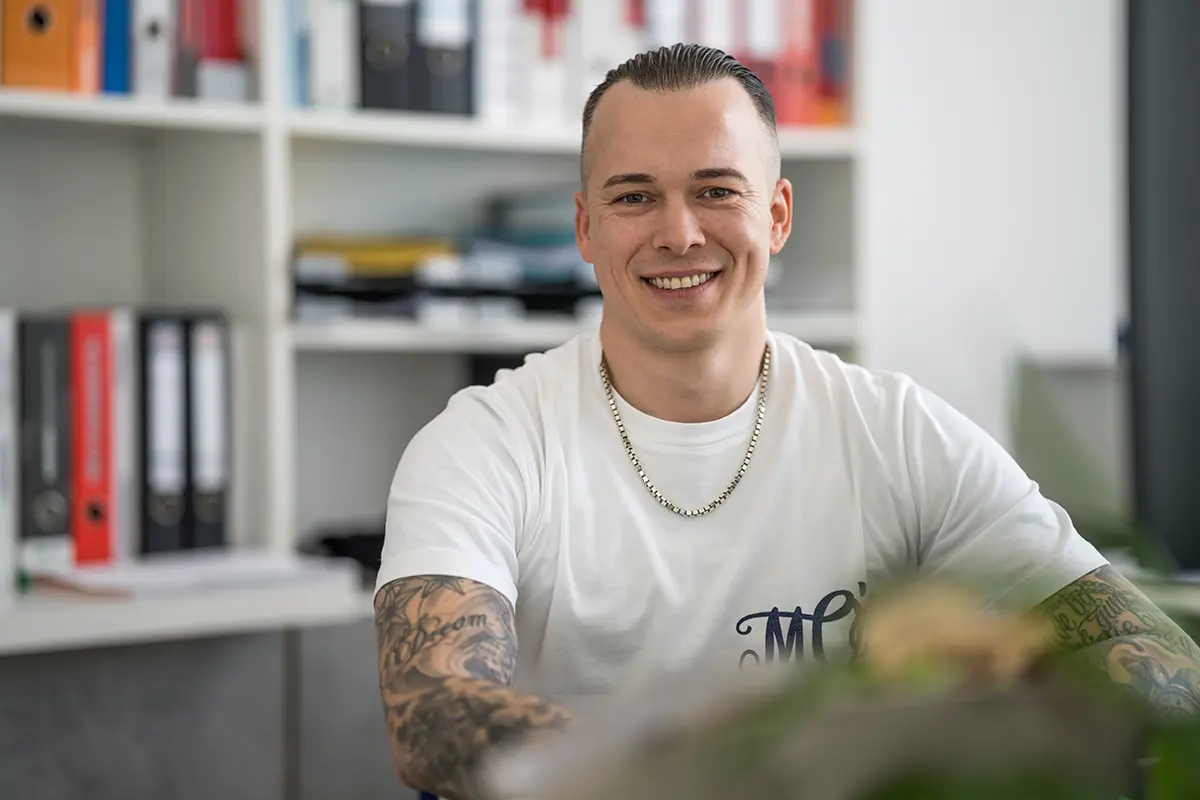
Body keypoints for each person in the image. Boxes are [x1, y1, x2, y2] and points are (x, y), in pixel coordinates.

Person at [373, 43, 1200, 800]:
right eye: (635, 197)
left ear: (776, 215)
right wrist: (728, 770)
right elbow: (432, 712)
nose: (678, 233)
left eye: (715, 191)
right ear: (587, 227)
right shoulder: (485, 441)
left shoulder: (898, 432)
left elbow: (1164, 674)